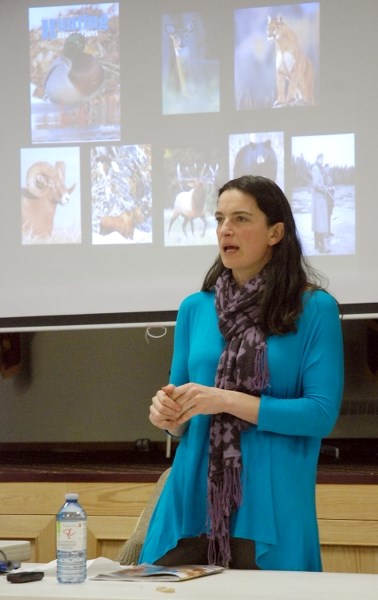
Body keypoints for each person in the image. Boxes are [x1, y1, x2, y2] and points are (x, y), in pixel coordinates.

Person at [139, 175, 344, 571]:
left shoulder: (314, 308)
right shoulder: (194, 308)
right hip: (190, 501)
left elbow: (320, 414)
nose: (225, 230)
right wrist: (168, 416)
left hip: (271, 506)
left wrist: (225, 399)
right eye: (219, 219)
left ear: (276, 232)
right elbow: (181, 409)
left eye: (241, 219)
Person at [311, 153, 331, 253]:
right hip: (318, 199)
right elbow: (315, 184)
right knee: (320, 222)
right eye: (321, 159)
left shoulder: (318, 168)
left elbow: (319, 182)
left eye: (323, 159)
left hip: (318, 198)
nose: (322, 161)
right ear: (317, 159)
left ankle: (316, 244)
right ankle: (321, 246)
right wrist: (324, 190)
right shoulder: (316, 168)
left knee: (318, 221)